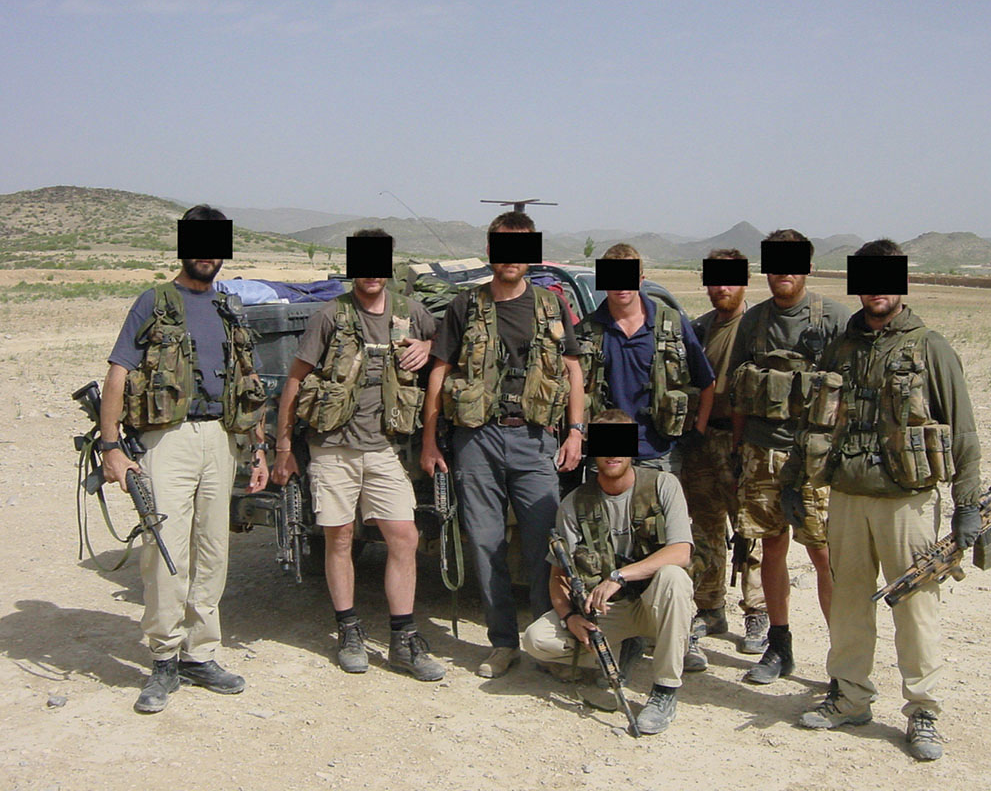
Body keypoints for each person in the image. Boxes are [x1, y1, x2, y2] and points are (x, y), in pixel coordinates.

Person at [785, 239, 981, 761]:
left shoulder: (928, 347)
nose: (875, 288)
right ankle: (849, 696)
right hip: (847, 496)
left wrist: (967, 505)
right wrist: (792, 481)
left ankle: (923, 710)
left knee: (915, 606)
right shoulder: (842, 347)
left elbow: (963, 432)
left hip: (906, 502)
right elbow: (812, 421)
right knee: (849, 604)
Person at [100, 204, 269, 713]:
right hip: (166, 439)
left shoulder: (228, 308)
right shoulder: (153, 301)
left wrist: (258, 448)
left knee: (213, 549)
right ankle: (163, 658)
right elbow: (117, 374)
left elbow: (250, 383)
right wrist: (111, 447)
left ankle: (201, 653)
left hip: (220, 437)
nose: (207, 254)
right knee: (165, 549)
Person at [272, 229, 444, 681]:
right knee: (340, 537)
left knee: (404, 537)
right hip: (332, 447)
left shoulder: (410, 313)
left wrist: (428, 346)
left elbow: (451, 346)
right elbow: (294, 381)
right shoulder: (331, 316)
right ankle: (348, 629)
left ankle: (403, 637)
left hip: (383, 448)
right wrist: (284, 446)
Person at [421, 211, 585, 678]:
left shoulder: (551, 306)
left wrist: (576, 431)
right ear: (491, 252)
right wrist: (430, 441)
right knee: (487, 546)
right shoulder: (465, 306)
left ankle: (545, 643)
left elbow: (574, 371)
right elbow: (439, 371)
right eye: (502, 248)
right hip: (478, 439)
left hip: (536, 440)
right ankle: (502, 644)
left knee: (543, 548)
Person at [575, 242, 714, 673]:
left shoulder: (670, 322)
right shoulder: (589, 329)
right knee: (609, 543)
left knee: (666, 544)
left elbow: (704, 380)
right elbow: (575, 387)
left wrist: (697, 429)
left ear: (639, 277)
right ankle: (626, 629)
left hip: (658, 453)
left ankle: (677, 632)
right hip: (608, 455)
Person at [522, 409, 698, 735]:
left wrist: (619, 576)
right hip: (609, 614)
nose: (613, 453)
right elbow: (559, 573)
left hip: (655, 606)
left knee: (673, 577)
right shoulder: (575, 503)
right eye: (605, 445)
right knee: (537, 640)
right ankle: (622, 649)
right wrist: (570, 618)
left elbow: (681, 552)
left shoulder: (663, 484)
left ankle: (664, 690)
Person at [727, 228, 849, 684]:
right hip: (761, 452)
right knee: (771, 546)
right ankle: (779, 646)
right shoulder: (753, 322)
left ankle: (843, 660)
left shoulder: (834, 319)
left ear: (809, 268)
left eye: (792, 264)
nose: (784, 273)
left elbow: (850, 395)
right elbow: (739, 394)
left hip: (814, 459)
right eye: (775, 264)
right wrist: (740, 450)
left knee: (823, 554)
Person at [679, 248, 767, 671]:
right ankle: (709, 605)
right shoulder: (698, 329)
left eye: (729, 280)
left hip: (743, 443)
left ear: (745, 281)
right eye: (714, 280)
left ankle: (758, 612)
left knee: (750, 530)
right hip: (702, 441)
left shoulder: (756, 329)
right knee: (705, 529)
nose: (721, 288)